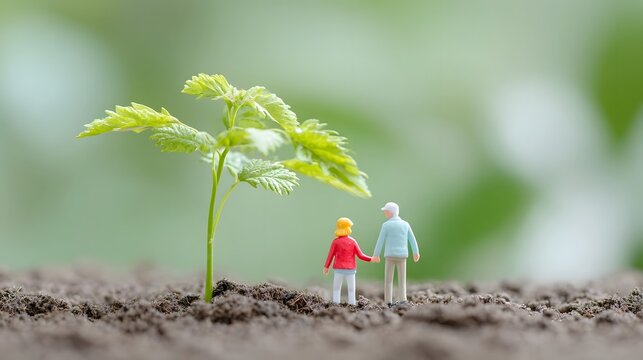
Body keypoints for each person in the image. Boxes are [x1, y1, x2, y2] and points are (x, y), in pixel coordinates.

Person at [372, 202, 420, 305]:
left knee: (388, 280)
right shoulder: (405, 224)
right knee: (402, 280)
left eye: (386, 212)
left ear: (390, 212)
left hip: (390, 255)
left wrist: (376, 254)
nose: (385, 214)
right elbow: (412, 239)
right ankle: (403, 299)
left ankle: (388, 301)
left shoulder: (386, 225)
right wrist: (416, 252)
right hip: (402, 255)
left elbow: (380, 241)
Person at [323, 217, 372, 305]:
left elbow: (330, 256)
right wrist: (371, 259)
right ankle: (352, 303)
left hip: (338, 269)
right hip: (350, 270)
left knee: (336, 288)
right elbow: (360, 255)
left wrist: (326, 267)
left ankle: (336, 303)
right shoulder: (352, 241)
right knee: (351, 289)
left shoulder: (336, 242)